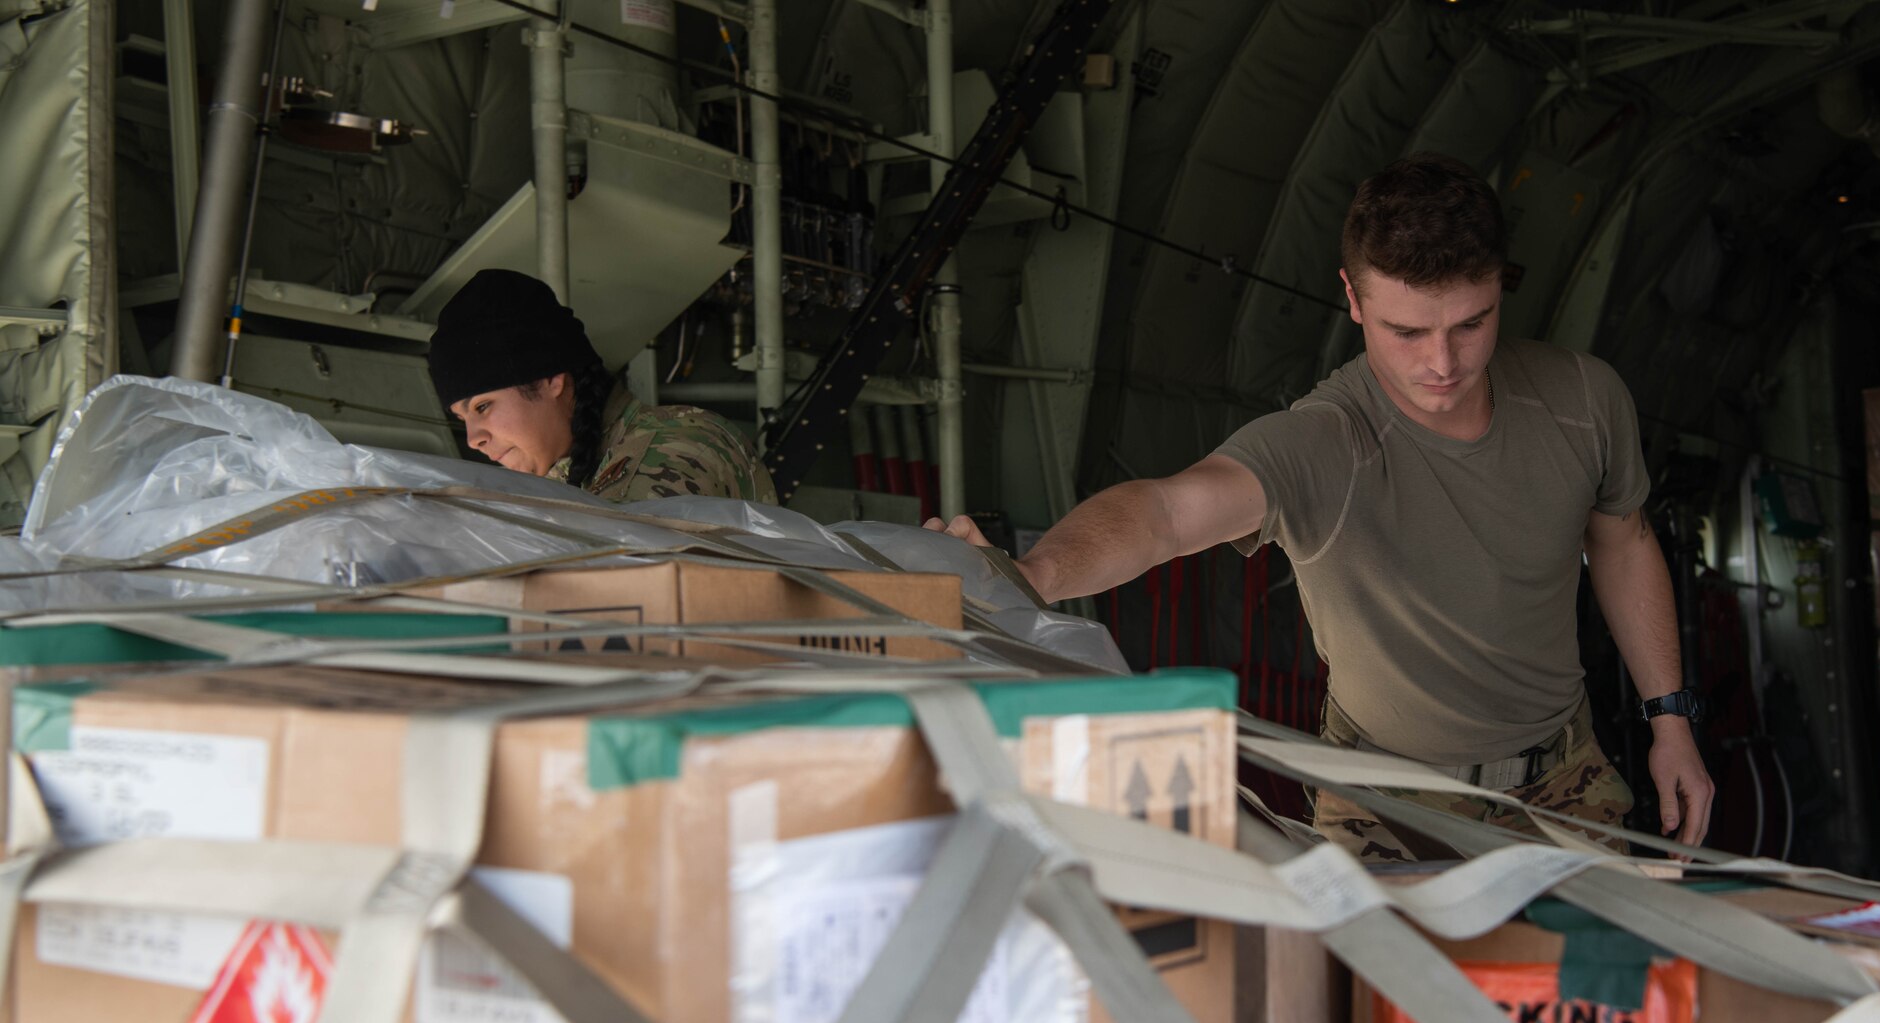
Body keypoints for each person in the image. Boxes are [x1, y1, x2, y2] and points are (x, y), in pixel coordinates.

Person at [927, 153, 1713, 860]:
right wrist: (1029, 574)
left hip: (1563, 778)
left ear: (1501, 284)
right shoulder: (1322, 444)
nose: (1442, 363)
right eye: (1408, 331)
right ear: (1353, 300)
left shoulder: (1584, 399)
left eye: (1471, 323)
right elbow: (1166, 514)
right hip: (1383, 801)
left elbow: (1623, 540)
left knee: (1611, 1000)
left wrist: (1669, 720)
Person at [425, 268, 777, 504]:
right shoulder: (561, 479)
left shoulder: (674, 447)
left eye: (482, 406)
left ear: (551, 380)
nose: (473, 439)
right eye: (462, 419)